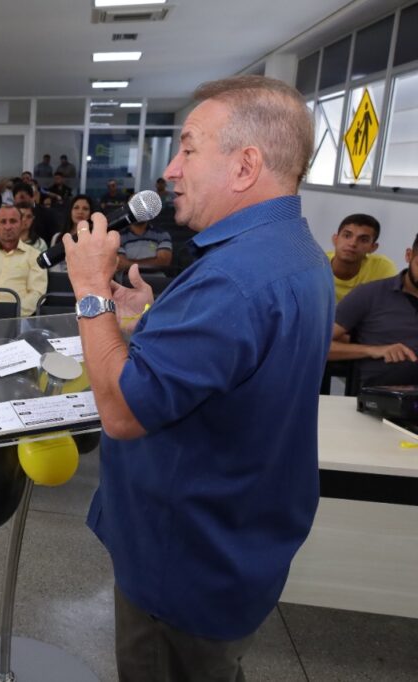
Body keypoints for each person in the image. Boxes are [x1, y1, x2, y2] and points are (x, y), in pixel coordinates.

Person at [62, 75, 333, 680]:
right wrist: (148, 325)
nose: (172, 170)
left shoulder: (233, 279)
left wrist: (88, 294)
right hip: (236, 540)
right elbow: (232, 361)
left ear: (245, 165)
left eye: (187, 148)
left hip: (183, 555)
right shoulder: (289, 251)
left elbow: (124, 414)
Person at [329, 235, 418, 387]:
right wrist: (374, 350)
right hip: (383, 398)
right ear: (408, 255)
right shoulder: (370, 294)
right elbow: (316, 345)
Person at [327, 213, 396, 303]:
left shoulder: (382, 267)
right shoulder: (315, 264)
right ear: (335, 239)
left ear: (373, 248)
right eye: (347, 236)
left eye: (363, 240)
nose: (352, 243)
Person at [49, 195, 95, 272]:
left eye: (85, 209)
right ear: (70, 211)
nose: (80, 212)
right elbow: (53, 266)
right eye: (76, 208)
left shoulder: (94, 238)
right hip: (59, 280)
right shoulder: (57, 237)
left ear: (91, 214)